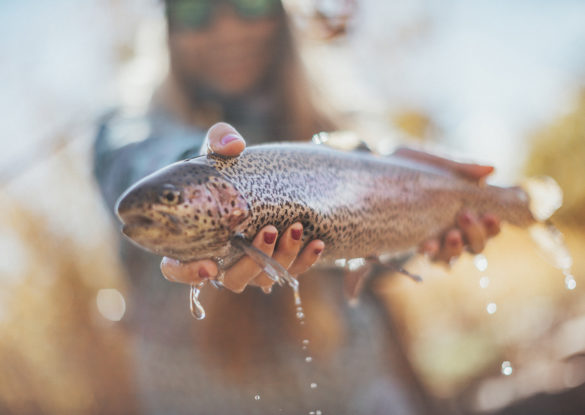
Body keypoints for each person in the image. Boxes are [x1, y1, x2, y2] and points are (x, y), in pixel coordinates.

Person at [94, 1, 499, 413]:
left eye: (250, 4)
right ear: (168, 26)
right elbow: (133, 164)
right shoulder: (131, 122)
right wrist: (198, 164)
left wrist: (429, 225)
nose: (227, 29)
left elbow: (369, 260)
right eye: (196, 9)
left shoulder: (343, 119)